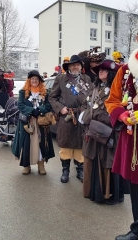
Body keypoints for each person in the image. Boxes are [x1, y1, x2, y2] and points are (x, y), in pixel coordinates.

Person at [79, 59, 124, 204]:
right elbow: (85, 105)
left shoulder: (116, 89)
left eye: (104, 70)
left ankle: (107, 194)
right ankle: (92, 192)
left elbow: (112, 113)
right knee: (90, 159)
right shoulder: (94, 87)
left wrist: (87, 116)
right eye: (99, 70)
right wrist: (85, 114)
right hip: (92, 131)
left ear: (111, 73)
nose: (101, 72)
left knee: (106, 162)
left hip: (107, 132)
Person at [105, 49, 138, 239]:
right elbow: (112, 101)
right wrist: (123, 115)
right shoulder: (125, 70)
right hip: (132, 139)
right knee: (135, 186)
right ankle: (137, 229)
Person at [49, 55, 92, 183]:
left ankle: (80, 170)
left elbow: (91, 97)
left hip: (82, 117)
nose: (75, 67)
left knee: (80, 144)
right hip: (66, 116)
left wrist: (87, 111)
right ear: (68, 67)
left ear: (81, 66)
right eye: (73, 65)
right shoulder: (61, 79)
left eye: (78, 65)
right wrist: (60, 108)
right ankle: (65, 171)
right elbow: (52, 97)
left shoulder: (87, 79)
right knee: (66, 145)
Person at [12, 70, 55, 175]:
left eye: (36, 79)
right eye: (32, 79)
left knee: (41, 143)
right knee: (27, 143)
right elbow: (21, 105)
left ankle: (41, 165)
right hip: (27, 121)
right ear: (29, 80)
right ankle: (26, 165)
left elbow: (48, 106)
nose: (34, 81)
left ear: (39, 80)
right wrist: (32, 111)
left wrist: (39, 110)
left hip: (41, 121)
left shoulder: (45, 92)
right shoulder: (23, 92)